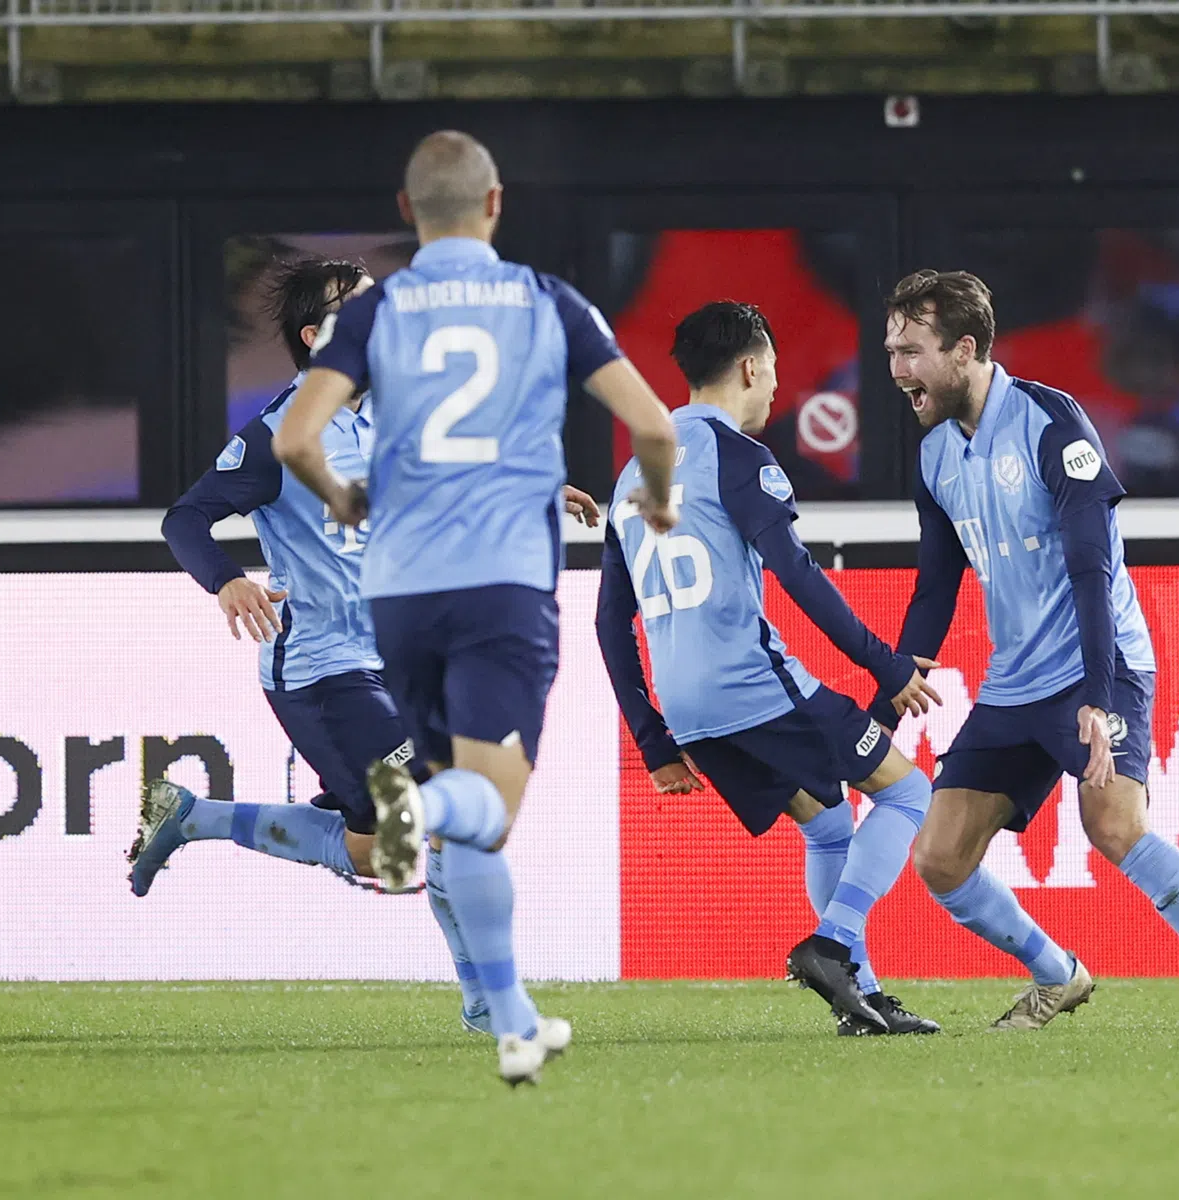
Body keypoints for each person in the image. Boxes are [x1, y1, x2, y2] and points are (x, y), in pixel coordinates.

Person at [272, 131, 680, 1086]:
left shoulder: (378, 309)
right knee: (486, 800)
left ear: (410, 212)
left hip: (400, 594)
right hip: (501, 584)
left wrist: (340, 497)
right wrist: (657, 498)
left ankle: (512, 1022)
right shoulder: (549, 302)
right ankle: (398, 804)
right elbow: (655, 425)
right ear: (495, 204)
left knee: (475, 831)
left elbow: (297, 438)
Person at [132, 256, 601, 1041]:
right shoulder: (280, 433)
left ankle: (191, 816)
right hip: (319, 669)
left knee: (375, 851)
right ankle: (487, 1003)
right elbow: (185, 519)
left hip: (396, 662)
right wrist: (227, 582)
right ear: (316, 337)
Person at [879, 269, 1179, 1034]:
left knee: (1114, 826)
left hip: (1096, 665)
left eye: (912, 351)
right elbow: (936, 586)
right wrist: (893, 685)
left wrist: (1099, 700)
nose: (897, 369)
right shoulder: (937, 454)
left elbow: (1092, 571)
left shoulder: (1051, 424)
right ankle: (1057, 976)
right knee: (939, 859)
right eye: (892, 351)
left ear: (964, 349)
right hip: (1014, 683)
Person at [596, 302, 942, 1036]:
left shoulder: (635, 470)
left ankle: (864, 999)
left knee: (826, 829)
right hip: (755, 688)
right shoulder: (740, 457)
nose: (777, 389)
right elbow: (799, 572)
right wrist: (884, 665)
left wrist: (654, 740)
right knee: (909, 792)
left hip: (687, 709)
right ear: (751, 366)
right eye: (775, 371)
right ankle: (831, 944)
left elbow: (608, 622)